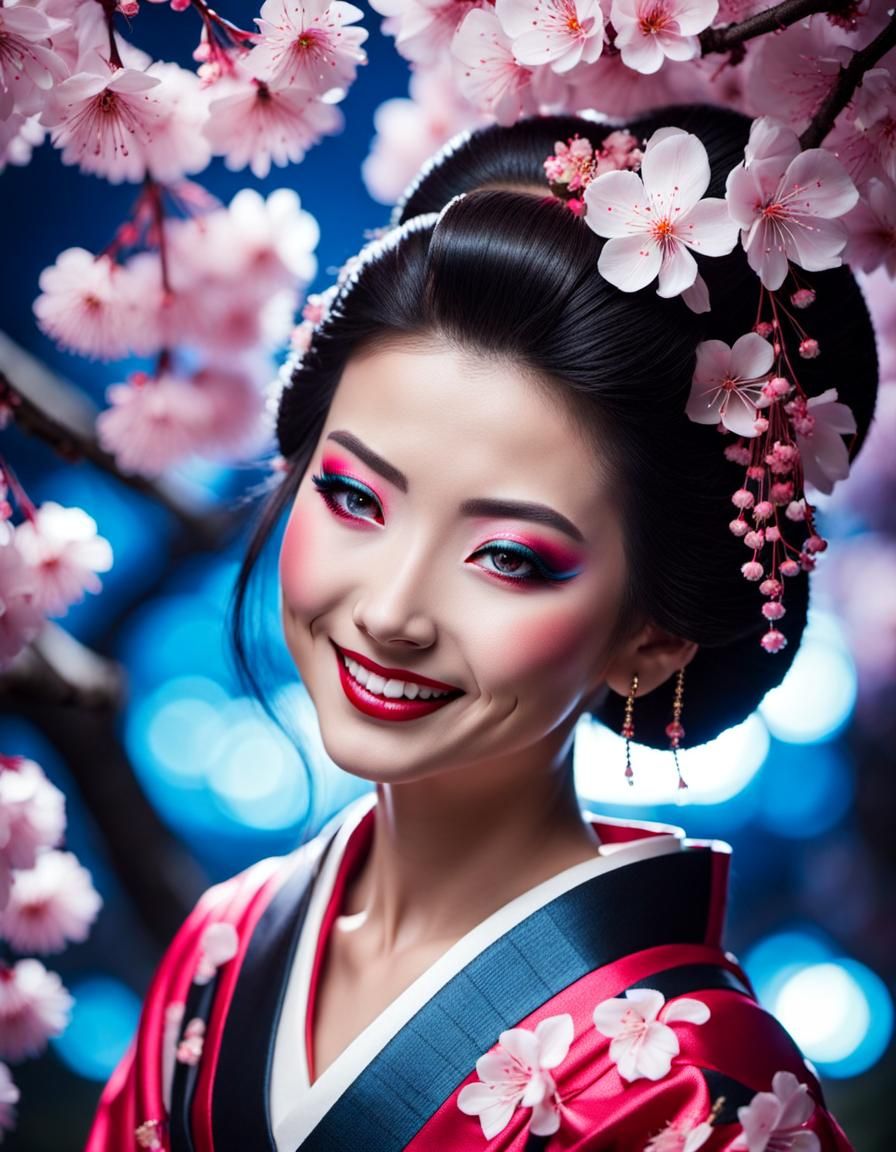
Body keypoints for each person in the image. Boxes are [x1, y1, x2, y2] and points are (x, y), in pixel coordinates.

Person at [85, 104, 878, 1151]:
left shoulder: (695, 1086)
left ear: (656, 633)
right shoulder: (226, 947)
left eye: (509, 557)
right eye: (355, 498)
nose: (391, 610)